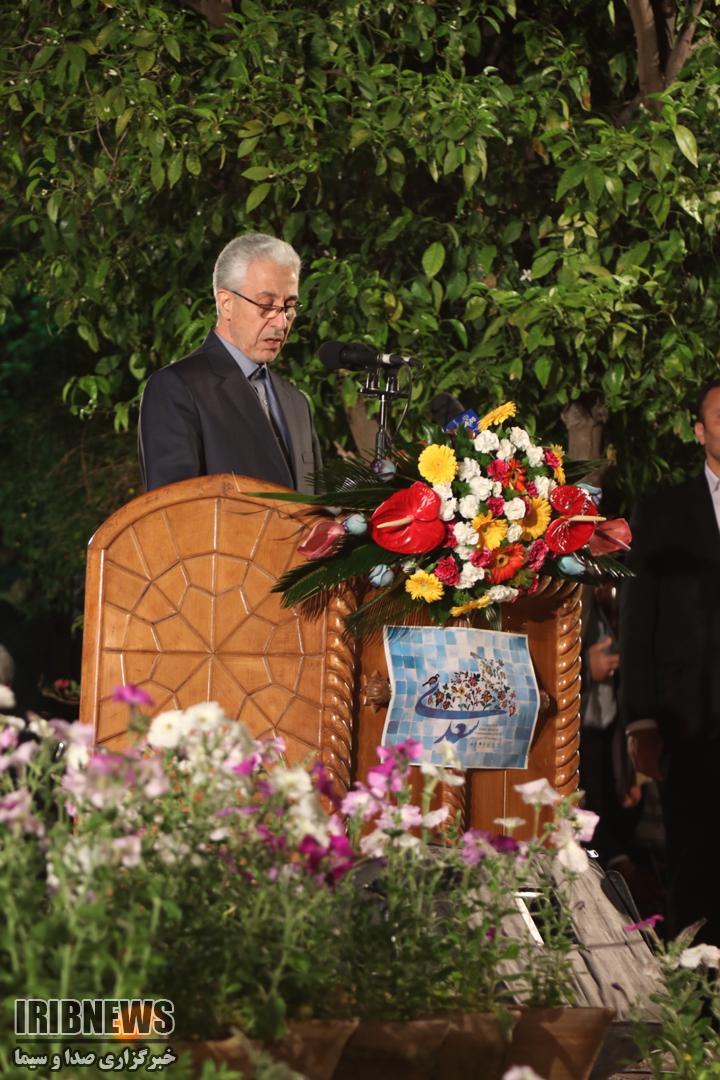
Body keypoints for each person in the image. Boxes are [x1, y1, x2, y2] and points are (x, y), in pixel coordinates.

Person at [620, 378, 720, 944]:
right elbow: (638, 622)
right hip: (689, 720)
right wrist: (641, 717)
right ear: (699, 431)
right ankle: (696, 981)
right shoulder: (662, 511)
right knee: (695, 860)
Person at [138, 233, 321, 493]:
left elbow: (317, 504)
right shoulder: (176, 388)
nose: (281, 322)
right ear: (226, 304)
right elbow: (175, 510)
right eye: (266, 305)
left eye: (289, 306)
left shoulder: (297, 402)